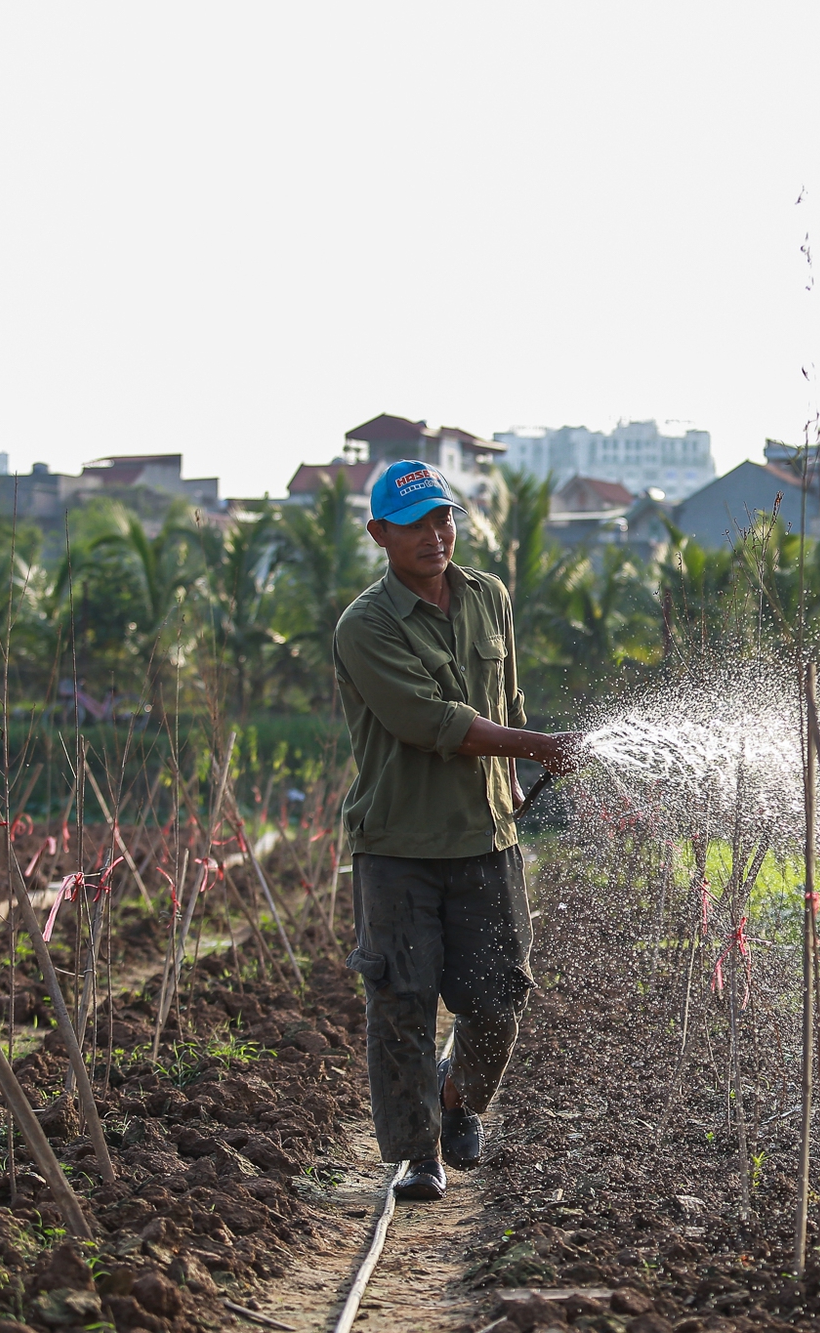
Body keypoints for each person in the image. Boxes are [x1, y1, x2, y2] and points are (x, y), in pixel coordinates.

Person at [334, 459, 583, 1201]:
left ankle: (457, 1102)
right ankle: (417, 1156)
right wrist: (534, 745)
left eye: (443, 518)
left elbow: (502, 696)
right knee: (403, 1006)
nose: (435, 535)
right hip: (398, 849)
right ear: (380, 533)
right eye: (414, 524)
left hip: (486, 839)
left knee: (498, 1000)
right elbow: (428, 721)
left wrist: (514, 776)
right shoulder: (365, 626)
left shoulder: (489, 598)